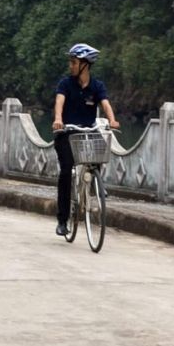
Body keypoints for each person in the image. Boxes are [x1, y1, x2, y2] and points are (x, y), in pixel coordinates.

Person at [51, 43, 120, 236]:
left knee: (100, 146)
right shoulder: (65, 83)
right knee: (66, 172)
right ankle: (62, 220)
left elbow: (105, 104)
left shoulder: (97, 86)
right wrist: (58, 119)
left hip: (88, 132)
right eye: (71, 62)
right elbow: (59, 101)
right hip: (67, 132)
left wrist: (112, 120)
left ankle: (95, 183)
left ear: (85, 65)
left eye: (73, 62)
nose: (71, 66)